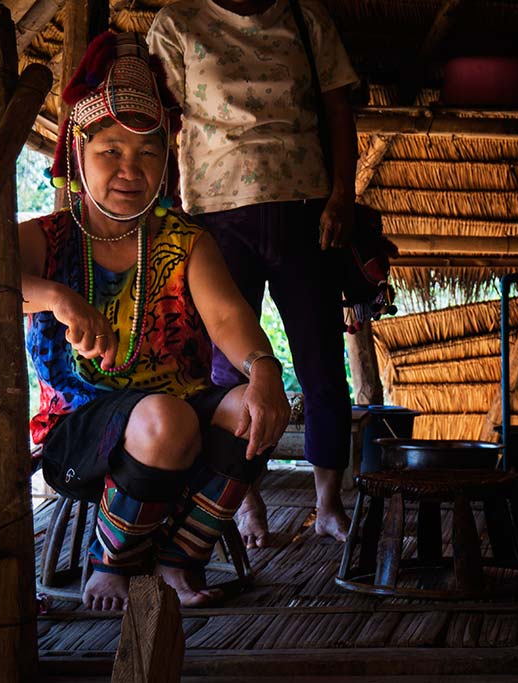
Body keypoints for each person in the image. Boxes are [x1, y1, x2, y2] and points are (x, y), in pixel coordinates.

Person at [24, 31, 290, 610]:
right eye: (110, 151)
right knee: (166, 419)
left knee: (255, 404)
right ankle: (111, 565)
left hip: (179, 420)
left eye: (147, 153)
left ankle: (179, 558)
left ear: (166, 161)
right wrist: (56, 297)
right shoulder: (44, 239)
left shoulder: (184, 241)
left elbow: (226, 314)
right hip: (80, 435)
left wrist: (264, 368)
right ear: (76, 154)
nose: (130, 169)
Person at [147, 0, 359, 545]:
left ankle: (329, 503)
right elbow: (161, 122)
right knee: (226, 369)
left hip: (305, 210)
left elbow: (338, 111)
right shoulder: (177, 23)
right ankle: (242, 501)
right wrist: (164, 214)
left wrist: (342, 195)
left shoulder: (306, 18)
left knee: (322, 366)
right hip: (215, 218)